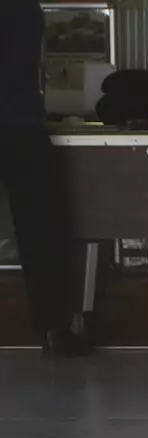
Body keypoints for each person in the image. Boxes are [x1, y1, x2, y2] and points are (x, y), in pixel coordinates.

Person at [0, 0, 90, 356]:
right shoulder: (24, 8)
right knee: (42, 234)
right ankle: (55, 331)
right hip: (21, 125)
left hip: (19, 121)